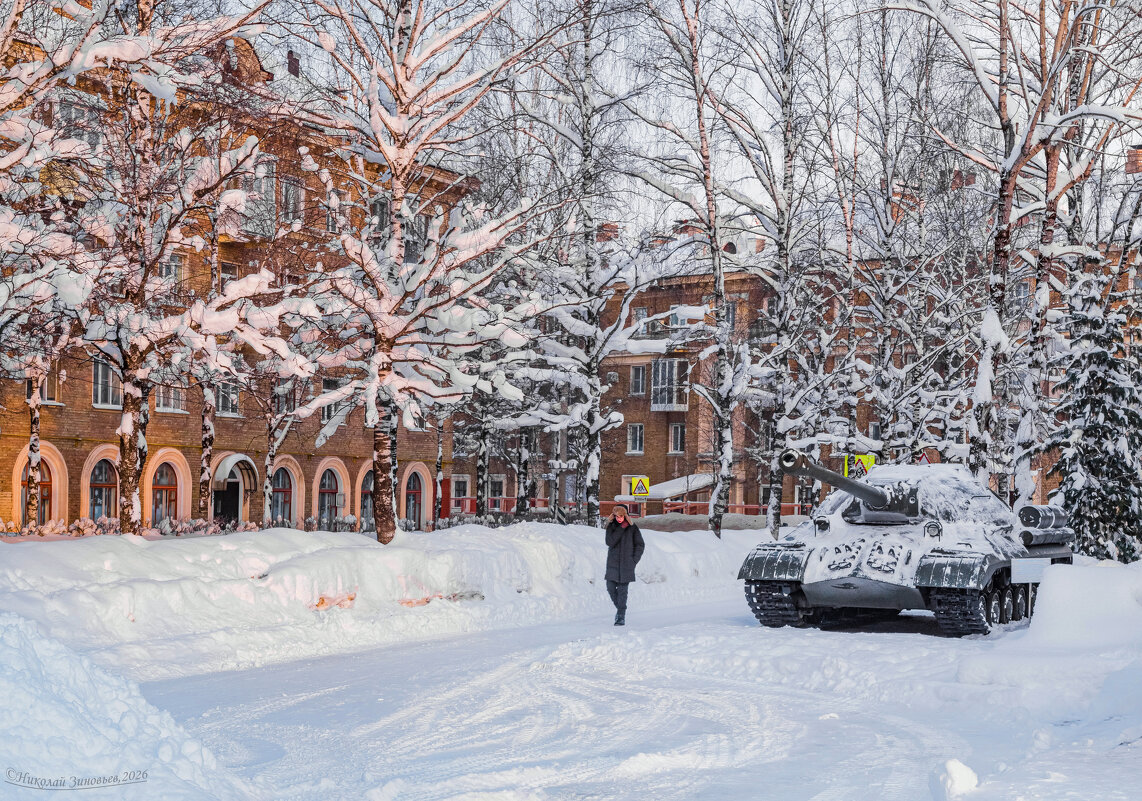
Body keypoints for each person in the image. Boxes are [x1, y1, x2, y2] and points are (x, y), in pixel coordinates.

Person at [604, 504, 645, 626]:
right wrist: (621, 528)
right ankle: (620, 609)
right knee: (610, 588)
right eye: (617, 516)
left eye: (621, 516)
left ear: (625, 515)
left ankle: (621, 616)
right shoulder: (611, 526)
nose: (619, 518)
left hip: (627, 564)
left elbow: (640, 545)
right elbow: (609, 542)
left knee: (622, 591)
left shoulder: (633, 528)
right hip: (612, 564)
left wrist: (634, 560)